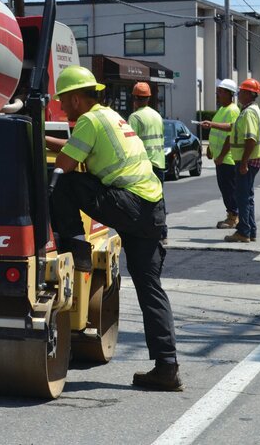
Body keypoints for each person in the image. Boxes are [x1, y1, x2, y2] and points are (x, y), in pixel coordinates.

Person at [48, 65, 182, 391]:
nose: (62, 106)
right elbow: (74, 152)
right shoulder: (110, 116)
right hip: (152, 209)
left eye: (64, 100)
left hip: (130, 203)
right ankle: (167, 367)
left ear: (77, 99)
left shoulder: (89, 121)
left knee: (63, 186)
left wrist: (37, 140)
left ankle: (76, 247)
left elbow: (65, 164)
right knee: (150, 289)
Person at [215, 78, 260, 243]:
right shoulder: (248, 110)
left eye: (242, 92)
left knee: (242, 197)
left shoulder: (249, 112)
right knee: (247, 197)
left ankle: (244, 232)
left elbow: (250, 139)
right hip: (250, 160)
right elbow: (234, 129)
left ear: (250, 94)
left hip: (248, 161)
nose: (239, 94)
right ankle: (250, 231)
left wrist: (244, 162)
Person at [128, 82, 167, 240]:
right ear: (149, 98)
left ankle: (143, 233)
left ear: (135, 98)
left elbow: (130, 142)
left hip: (144, 165)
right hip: (159, 162)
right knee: (158, 199)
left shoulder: (135, 117)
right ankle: (162, 233)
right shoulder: (157, 115)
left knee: (142, 201)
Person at [200, 79, 241, 230]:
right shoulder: (222, 109)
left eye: (222, 91)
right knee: (225, 189)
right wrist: (210, 150)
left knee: (229, 189)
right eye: (218, 91)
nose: (218, 94)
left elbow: (231, 135)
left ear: (230, 94)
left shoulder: (232, 110)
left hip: (227, 159)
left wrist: (222, 155)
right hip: (220, 158)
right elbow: (216, 132)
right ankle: (231, 214)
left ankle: (233, 217)